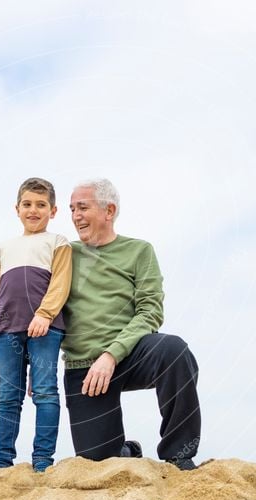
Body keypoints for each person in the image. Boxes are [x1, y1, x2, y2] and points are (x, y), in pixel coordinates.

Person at [61, 178, 201, 470]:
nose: (75, 216)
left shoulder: (139, 251)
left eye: (83, 207)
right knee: (97, 460)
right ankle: (125, 451)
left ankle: (179, 453)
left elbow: (150, 311)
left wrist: (111, 354)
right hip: (83, 367)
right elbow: (45, 306)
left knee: (174, 350)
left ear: (108, 211)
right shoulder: (64, 254)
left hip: (129, 354)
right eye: (72, 208)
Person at [0, 177, 72, 472]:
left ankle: (42, 462)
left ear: (52, 211)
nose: (33, 210)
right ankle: (2, 463)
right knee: (8, 396)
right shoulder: (3, 247)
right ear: (17, 209)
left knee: (45, 391)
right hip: (6, 329)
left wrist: (45, 314)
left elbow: (61, 282)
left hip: (46, 327)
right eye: (27, 204)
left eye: (41, 205)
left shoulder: (58, 242)